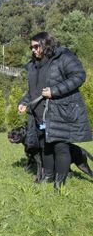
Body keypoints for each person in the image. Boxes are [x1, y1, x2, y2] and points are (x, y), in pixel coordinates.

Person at [18, 32, 91, 190]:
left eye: (36, 46)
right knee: (46, 147)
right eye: (31, 47)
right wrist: (24, 102)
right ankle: (48, 177)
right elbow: (33, 90)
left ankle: (59, 183)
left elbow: (79, 76)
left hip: (60, 110)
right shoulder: (33, 65)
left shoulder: (63, 57)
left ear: (46, 44)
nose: (33, 50)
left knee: (60, 147)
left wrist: (55, 90)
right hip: (40, 113)